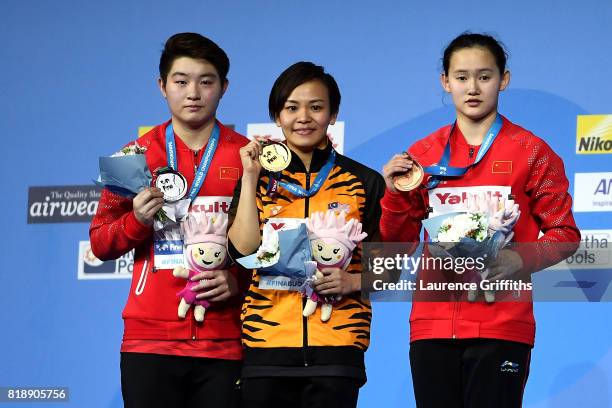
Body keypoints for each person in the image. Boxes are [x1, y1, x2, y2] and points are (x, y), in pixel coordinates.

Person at [380, 32, 580, 407]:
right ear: (445, 82)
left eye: (485, 76)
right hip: (432, 327)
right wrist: (393, 194)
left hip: (502, 326)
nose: (473, 88)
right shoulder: (421, 155)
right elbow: (397, 245)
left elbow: (565, 234)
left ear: (503, 79)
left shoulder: (532, 151)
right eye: (461, 77)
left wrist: (518, 259)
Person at [89, 33, 249, 408]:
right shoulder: (131, 156)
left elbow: (269, 243)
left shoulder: (248, 156)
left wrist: (238, 279)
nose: (193, 92)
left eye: (206, 81)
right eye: (181, 81)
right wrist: (137, 222)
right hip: (150, 341)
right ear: (162, 86)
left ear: (224, 87)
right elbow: (99, 242)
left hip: (226, 341)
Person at [227, 61, 385, 408]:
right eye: (291, 107)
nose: (304, 117)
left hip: (338, 349)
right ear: (277, 115)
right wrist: (251, 176)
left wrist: (352, 281)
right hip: (266, 344)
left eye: (316, 107)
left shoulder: (364, 181)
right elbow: (242, 252)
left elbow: (388, 267)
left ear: (332, 114)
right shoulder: (256, 179)